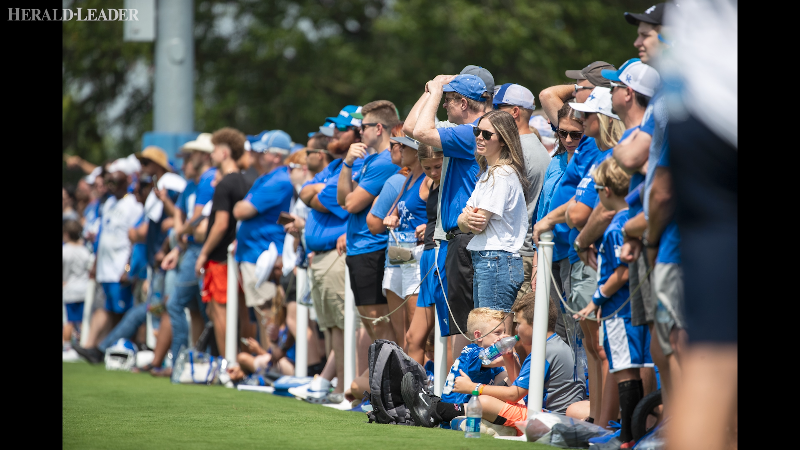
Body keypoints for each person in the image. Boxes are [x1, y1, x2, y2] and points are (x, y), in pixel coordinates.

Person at [405, 73, 490, 347]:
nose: (444, 106)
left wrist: (437, 90)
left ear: (463, 103)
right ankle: (456, 388)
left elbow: (419, 132)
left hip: (467, 236)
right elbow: (409, 128)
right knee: (458, 328)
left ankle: (459, 389)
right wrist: (433, 92)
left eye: (448, 101)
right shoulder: (464, 130)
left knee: (464, 329)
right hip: (459, 236)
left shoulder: (471, 132)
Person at [574, 157, 653, 449]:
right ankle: (637, 432)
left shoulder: (619, 223)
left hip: (620, 310)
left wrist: (596, 299)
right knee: (636, 365)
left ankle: (628, 436)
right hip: (630, 308)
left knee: (625, 369)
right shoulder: (629, 218)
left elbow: (622, 271)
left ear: (606, 191)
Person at [294, 105, 363, 405]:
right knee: (332, 324)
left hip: (337, 254)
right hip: (322, 256)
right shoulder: (336, 166)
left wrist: (320, 193)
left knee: (345, 321)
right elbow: (305, 192)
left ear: (358, 132)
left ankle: (346, 388)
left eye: (342, 129)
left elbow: (326, 199)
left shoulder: (358, 164)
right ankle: (336, 387)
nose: (334, 134)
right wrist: (320, 191)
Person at [337, 100, 402, 342]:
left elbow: (351, 204)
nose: (358, 132)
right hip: (360, 249)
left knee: (380, 325)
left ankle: (386, 380)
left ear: (378, 128)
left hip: (371, 248)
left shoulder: (386, 161)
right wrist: (347, 163)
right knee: (373, 325)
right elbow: (343, 199)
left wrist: (347, 164)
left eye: (362, 127)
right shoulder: (371, 160)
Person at [457, 110, 530, 319]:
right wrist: (465, 218)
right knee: (488, 329)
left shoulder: (501, 174)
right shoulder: (489, 174)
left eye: (487, 134)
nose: (480, 137)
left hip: (496, 259)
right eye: (477, 131)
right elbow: (462, 223)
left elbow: (477, 224)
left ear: (504, 140)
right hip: (490, 259)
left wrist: (467, 218)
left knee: (492, 330)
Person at [233, 130, 295, 343]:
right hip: (256, 253)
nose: (257, 155)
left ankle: (270, 369)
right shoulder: (269, 178)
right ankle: (267, 366)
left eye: (263, 152)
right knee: (263, 313)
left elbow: (241, 210)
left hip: (263, 255)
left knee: (268, 314)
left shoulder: (279, 180)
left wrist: (240, 206)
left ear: (276, 156)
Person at [195, 127, 252, 358]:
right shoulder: (247, 181)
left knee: (219, 312)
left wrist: (203, 253)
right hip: (238, 255)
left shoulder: (224, 184)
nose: (212, 154)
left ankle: (228, 363)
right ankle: (245, 362)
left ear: (225, 153)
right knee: (243, 314)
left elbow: (220, 224)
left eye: (215, 149)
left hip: (220, 257)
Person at [492, 83, 551, 304]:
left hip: (517, 256)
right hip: (522, 253)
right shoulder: (531, 146)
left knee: (511, 330)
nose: (491, 113)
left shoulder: (519, 152)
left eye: (497, 107)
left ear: (515, 112)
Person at [162, 134, 216, 362]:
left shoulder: (208, 179)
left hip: (201, 251)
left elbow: (196, 220)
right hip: (193, 250)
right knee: (199, 309)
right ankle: (199, 358)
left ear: (203, 155)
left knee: (176, 304)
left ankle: (179, 360)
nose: (186, 161)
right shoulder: (193, 184)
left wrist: (182, 232)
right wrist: (179, 243)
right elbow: (182, 215)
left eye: (190, 155)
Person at [81, 163, 143, 351]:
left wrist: (128, 267)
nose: (110, 186)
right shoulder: (107, 203)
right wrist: (95, 264)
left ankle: (109, 348)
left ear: (126, 183)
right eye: (109, 182)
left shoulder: (133, 205)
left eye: (115, 182)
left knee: (120, 311)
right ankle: (95, 346)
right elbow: (102, 235)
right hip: (104, 268)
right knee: (106, 308)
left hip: (119, 267)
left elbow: (135, 239)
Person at [365, 130, 413, 349]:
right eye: (396, 144)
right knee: (406, 336)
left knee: (411, 335)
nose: (396, 149)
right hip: (398, 254)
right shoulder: (405, 179)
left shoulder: (398, 179)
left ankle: (415, 381)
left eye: (401, 145)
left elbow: (373, 223)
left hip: (410, 256)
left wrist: (378, 201)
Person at [403, 143, 443, 365]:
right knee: (413, 336)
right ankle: (412, 396)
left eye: (438, 166)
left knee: (445, 336)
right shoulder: (429, 182)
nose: (433, 173)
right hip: (426, 255)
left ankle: (447, 394)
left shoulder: (454, 180)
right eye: (427, 168)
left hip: (442, 253)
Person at [63, 219, 91, 355]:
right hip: (84, 289)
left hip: (70, 289)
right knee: (83, 320)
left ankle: (67, 347)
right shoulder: (84, 250)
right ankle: (83, 344)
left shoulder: (65, 251)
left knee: (69, 320)